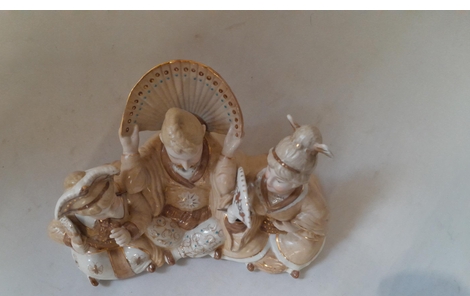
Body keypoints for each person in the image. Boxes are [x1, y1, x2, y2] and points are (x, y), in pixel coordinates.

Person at [119, 107, 242, 264]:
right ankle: (196, 247)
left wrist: (227, 154)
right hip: (170, 220)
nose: (185, 165)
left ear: (203, 132)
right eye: (176, 158)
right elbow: (134, 187)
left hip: (205, 219)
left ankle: (178, 252)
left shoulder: (214, 152)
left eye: (192, 157)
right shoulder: (153, 154)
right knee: (152, 226)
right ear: (162, 139)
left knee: (221, 227)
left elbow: (225, 188)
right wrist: (130, 152)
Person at [219, 116, 332, 278]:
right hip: (254, 226)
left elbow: (314, 229)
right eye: (270, 170)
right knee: (227, 223)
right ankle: (252, 249)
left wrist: (291, 228)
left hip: (286, 236)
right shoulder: (256, 170)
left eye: (279, 181)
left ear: (297, 183)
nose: (269, 180)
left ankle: (264, 256)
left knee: (303, 251)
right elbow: (230, 187)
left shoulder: (311, 203)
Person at [48, 164, 164, 285]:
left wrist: (130, 231)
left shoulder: (125, 196)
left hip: (127, 242)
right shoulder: (74, 219)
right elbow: (54, 229)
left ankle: (143, 264)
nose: (112, 212)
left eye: (113, 204)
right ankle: (97, 275)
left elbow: (142, 212)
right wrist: (72, 240)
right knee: (92, 264)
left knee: (139, 253)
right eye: (101, 213)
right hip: (96, 248)